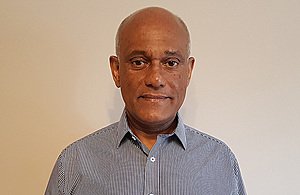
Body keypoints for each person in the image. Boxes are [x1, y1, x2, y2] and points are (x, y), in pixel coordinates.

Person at [45, 7, 246, 195]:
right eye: (139, 62)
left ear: (188, 71)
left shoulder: (221, 162)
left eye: (171, 63)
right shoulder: (74, 162)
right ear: (116, 71)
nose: (155, 79)